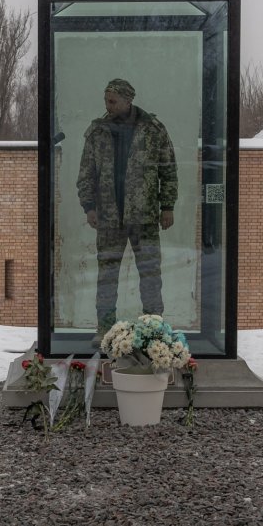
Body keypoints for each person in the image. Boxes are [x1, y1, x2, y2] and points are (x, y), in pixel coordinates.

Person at [77, 78, 178, 345]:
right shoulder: (98, 132)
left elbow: (168, 170)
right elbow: (87, 172)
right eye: (106, 100)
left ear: (127, 100)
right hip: (109, 217)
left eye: (113, 101)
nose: (107, 106)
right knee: (107, 275)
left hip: (144, 217)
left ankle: (154, 329)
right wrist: (89, 206)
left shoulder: (153, 130)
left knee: (150, 273)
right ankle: (105, 328)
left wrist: (167, 206)